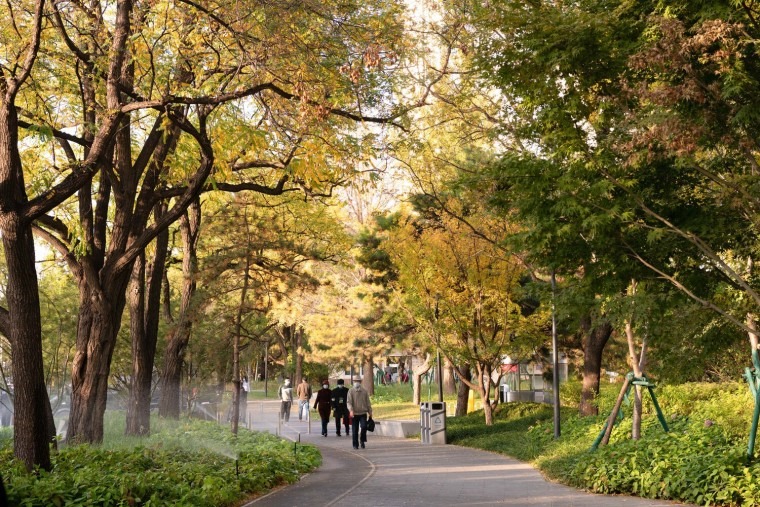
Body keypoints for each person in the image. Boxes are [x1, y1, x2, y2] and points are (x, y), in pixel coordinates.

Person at [347, 379, 372, 449]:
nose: (356, 383)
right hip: (354, 414)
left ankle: (362, 440)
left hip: (363, 413)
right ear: (353, 382)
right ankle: (355, 444)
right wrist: (351, 410)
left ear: (360, 382)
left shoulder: (364, 391)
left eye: (358, 381)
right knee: (355, 430)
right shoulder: (350, 391)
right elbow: (348, 402)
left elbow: (368, 402)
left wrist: (370, 411)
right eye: (355, 381)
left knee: (364, 427)